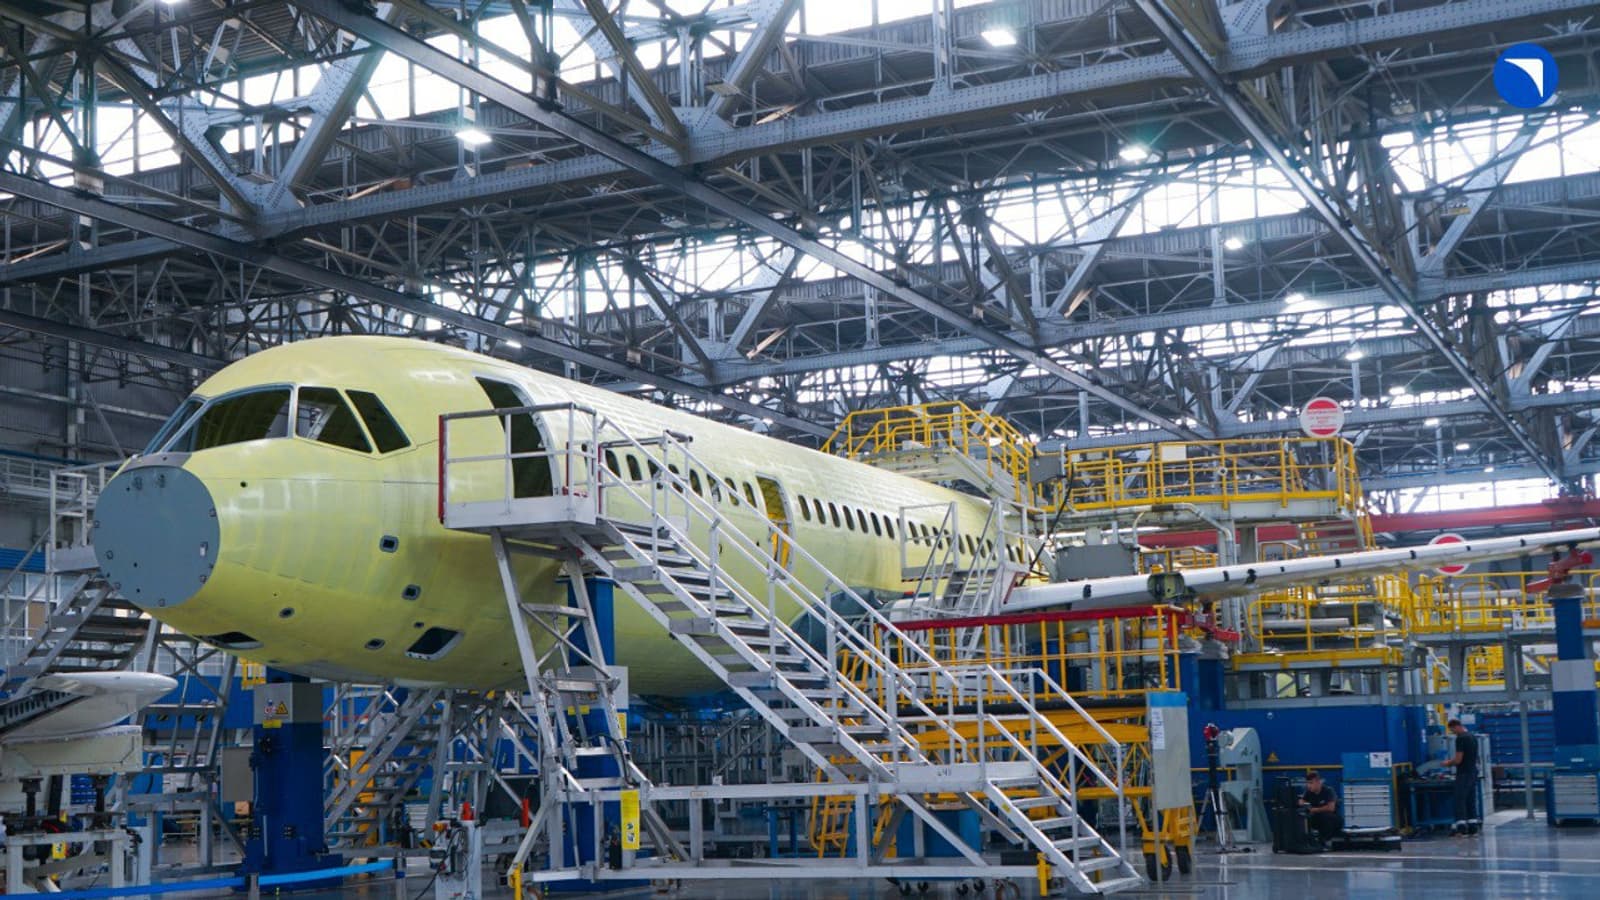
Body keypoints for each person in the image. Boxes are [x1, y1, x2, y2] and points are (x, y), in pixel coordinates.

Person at [1449, 718, 1481, 835]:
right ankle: (1473, 827)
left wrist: (1447, 763)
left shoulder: (1461, 738)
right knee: (1470, 799)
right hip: (1473, 772)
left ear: (1456, 726)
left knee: (1460, 799)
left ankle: (1461, 828)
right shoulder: (1472, 737)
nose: (1453, 733)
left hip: (1463, 773)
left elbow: (1458, 759)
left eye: (1452, 730)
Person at [1298, 769, 1342, 846]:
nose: (1308, 786)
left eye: (1311, 783)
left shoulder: (1328, 791)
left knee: (1326, 817)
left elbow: (1331, 808)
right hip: (1318, 819)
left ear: (1318, 782)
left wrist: (1314, 810)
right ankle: (1307, 840)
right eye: (1307, 783)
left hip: (1333, 821)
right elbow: (1301, 801)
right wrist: (1302, 802)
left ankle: (1327, 841)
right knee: (1303, 817)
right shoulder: (1309, 792)